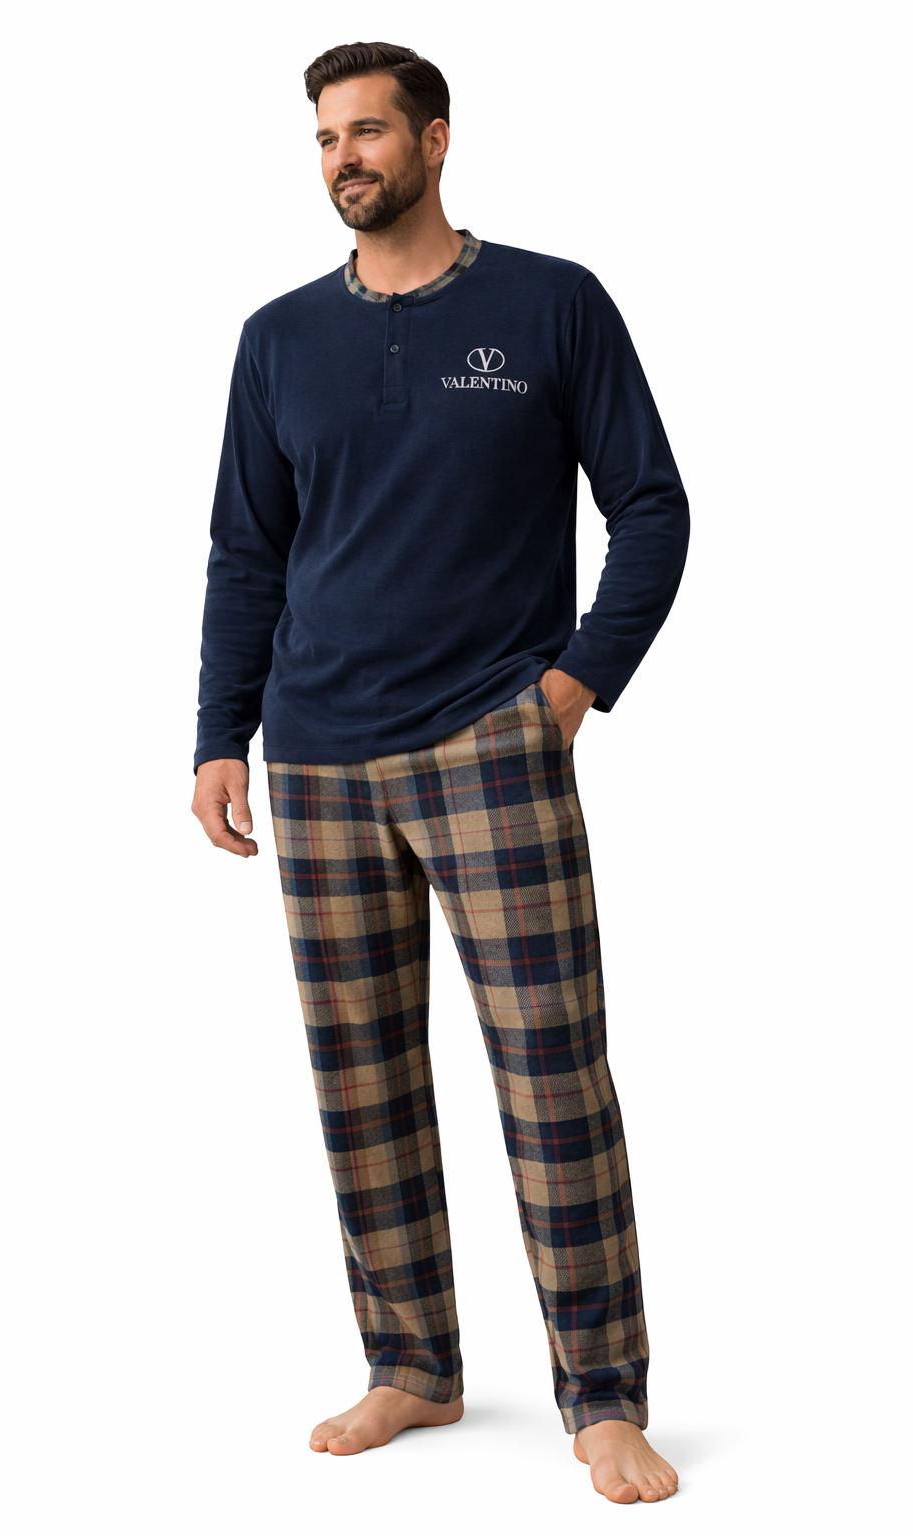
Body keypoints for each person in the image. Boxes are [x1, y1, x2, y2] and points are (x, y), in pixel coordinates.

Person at [191, 41, 689, 1505]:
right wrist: (220, 735)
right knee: (363, 1084)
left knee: (552, 1075)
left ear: (436, 139)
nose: (344, 157)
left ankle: (603, 1398)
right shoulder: (278, 339)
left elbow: (653, 506)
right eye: (324, 138)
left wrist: (573, 687)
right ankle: (412, 1364)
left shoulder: (551, 303)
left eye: (367, 131)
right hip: (318, 756)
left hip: (493, 741)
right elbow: (246, 552)